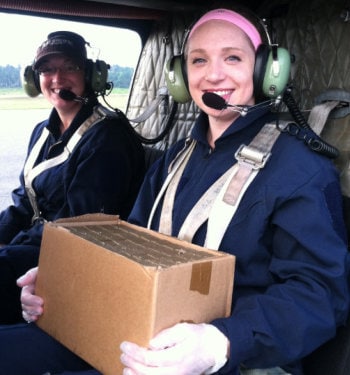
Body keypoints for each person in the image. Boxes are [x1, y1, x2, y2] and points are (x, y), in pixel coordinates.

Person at [0, 7, 349, 375]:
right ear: (183, 76)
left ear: (265, 70)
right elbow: (125, 248)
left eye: (232, 57)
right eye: (199, 60)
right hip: (139, 333)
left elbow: (321, 294)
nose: (213, 74)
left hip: (236, 358)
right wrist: (63, 279)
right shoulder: (176, 159)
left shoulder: (299, 167)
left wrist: (219, 342)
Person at [0, 31, 145, 324]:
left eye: (70, 67)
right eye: (47, 69)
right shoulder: (42, 132)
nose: (57, 78)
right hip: (38, 244)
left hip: (77, 255)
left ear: (91, 75)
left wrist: (12, 243)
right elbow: (24, 201)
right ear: (34, 78)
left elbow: (81, 223)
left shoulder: (108, 137)